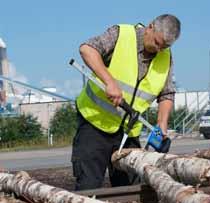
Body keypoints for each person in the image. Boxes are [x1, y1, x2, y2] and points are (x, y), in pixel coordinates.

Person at [71, 14, 181, 190]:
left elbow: (167, 93)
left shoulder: (166, 57)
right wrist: (109, 81)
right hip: (94, 124)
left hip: (129, 132)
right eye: (158, 43)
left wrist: (162, 124)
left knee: (131, 191)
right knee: (88, 187)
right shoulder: (121, 35)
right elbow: (87, 49)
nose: (159, 50)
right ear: (150, 26)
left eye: (165, 46)